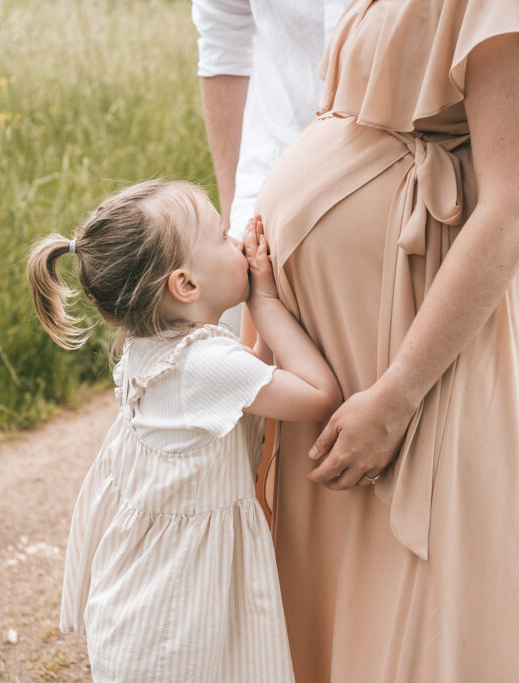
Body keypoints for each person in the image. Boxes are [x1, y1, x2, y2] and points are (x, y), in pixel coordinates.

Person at [254, 0, 519, 681]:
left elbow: (517, 202)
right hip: (347, 331)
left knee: (423, 594)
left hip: (420, 332)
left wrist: (395, 397)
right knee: (337, 589)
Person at [193, 0, 519, 523]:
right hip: (263, 236)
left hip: (430, 275)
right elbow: (223, 42)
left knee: (425, 498)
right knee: (266, 498)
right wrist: (235, 220)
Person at [27, 180, 341, 682]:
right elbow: (319, 394)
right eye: (221, 236)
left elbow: (250, 388)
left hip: (145, 607)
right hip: (177, 620)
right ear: (186, 286)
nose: (236, 240)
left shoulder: (156, 351)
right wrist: (266, 302)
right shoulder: (205, 365)